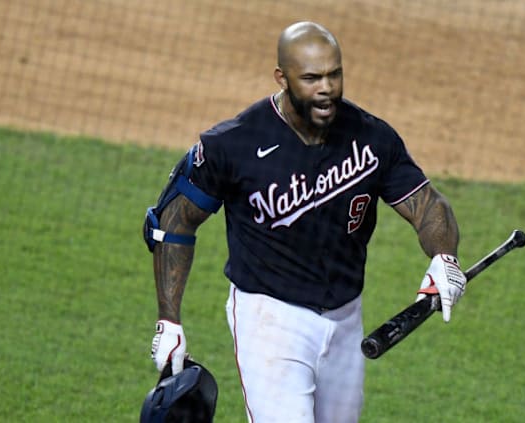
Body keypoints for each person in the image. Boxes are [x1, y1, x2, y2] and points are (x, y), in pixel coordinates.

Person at [145, 21, 467, 423]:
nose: (326, 88)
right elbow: (175, 221)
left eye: (334, 74)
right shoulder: (234, 144)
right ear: (282, 77)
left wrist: (445, 257)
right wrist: (169, 320)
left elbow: (426, 204)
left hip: (346, 319)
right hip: (270, 321)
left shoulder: (370, 137)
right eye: (312, 77)